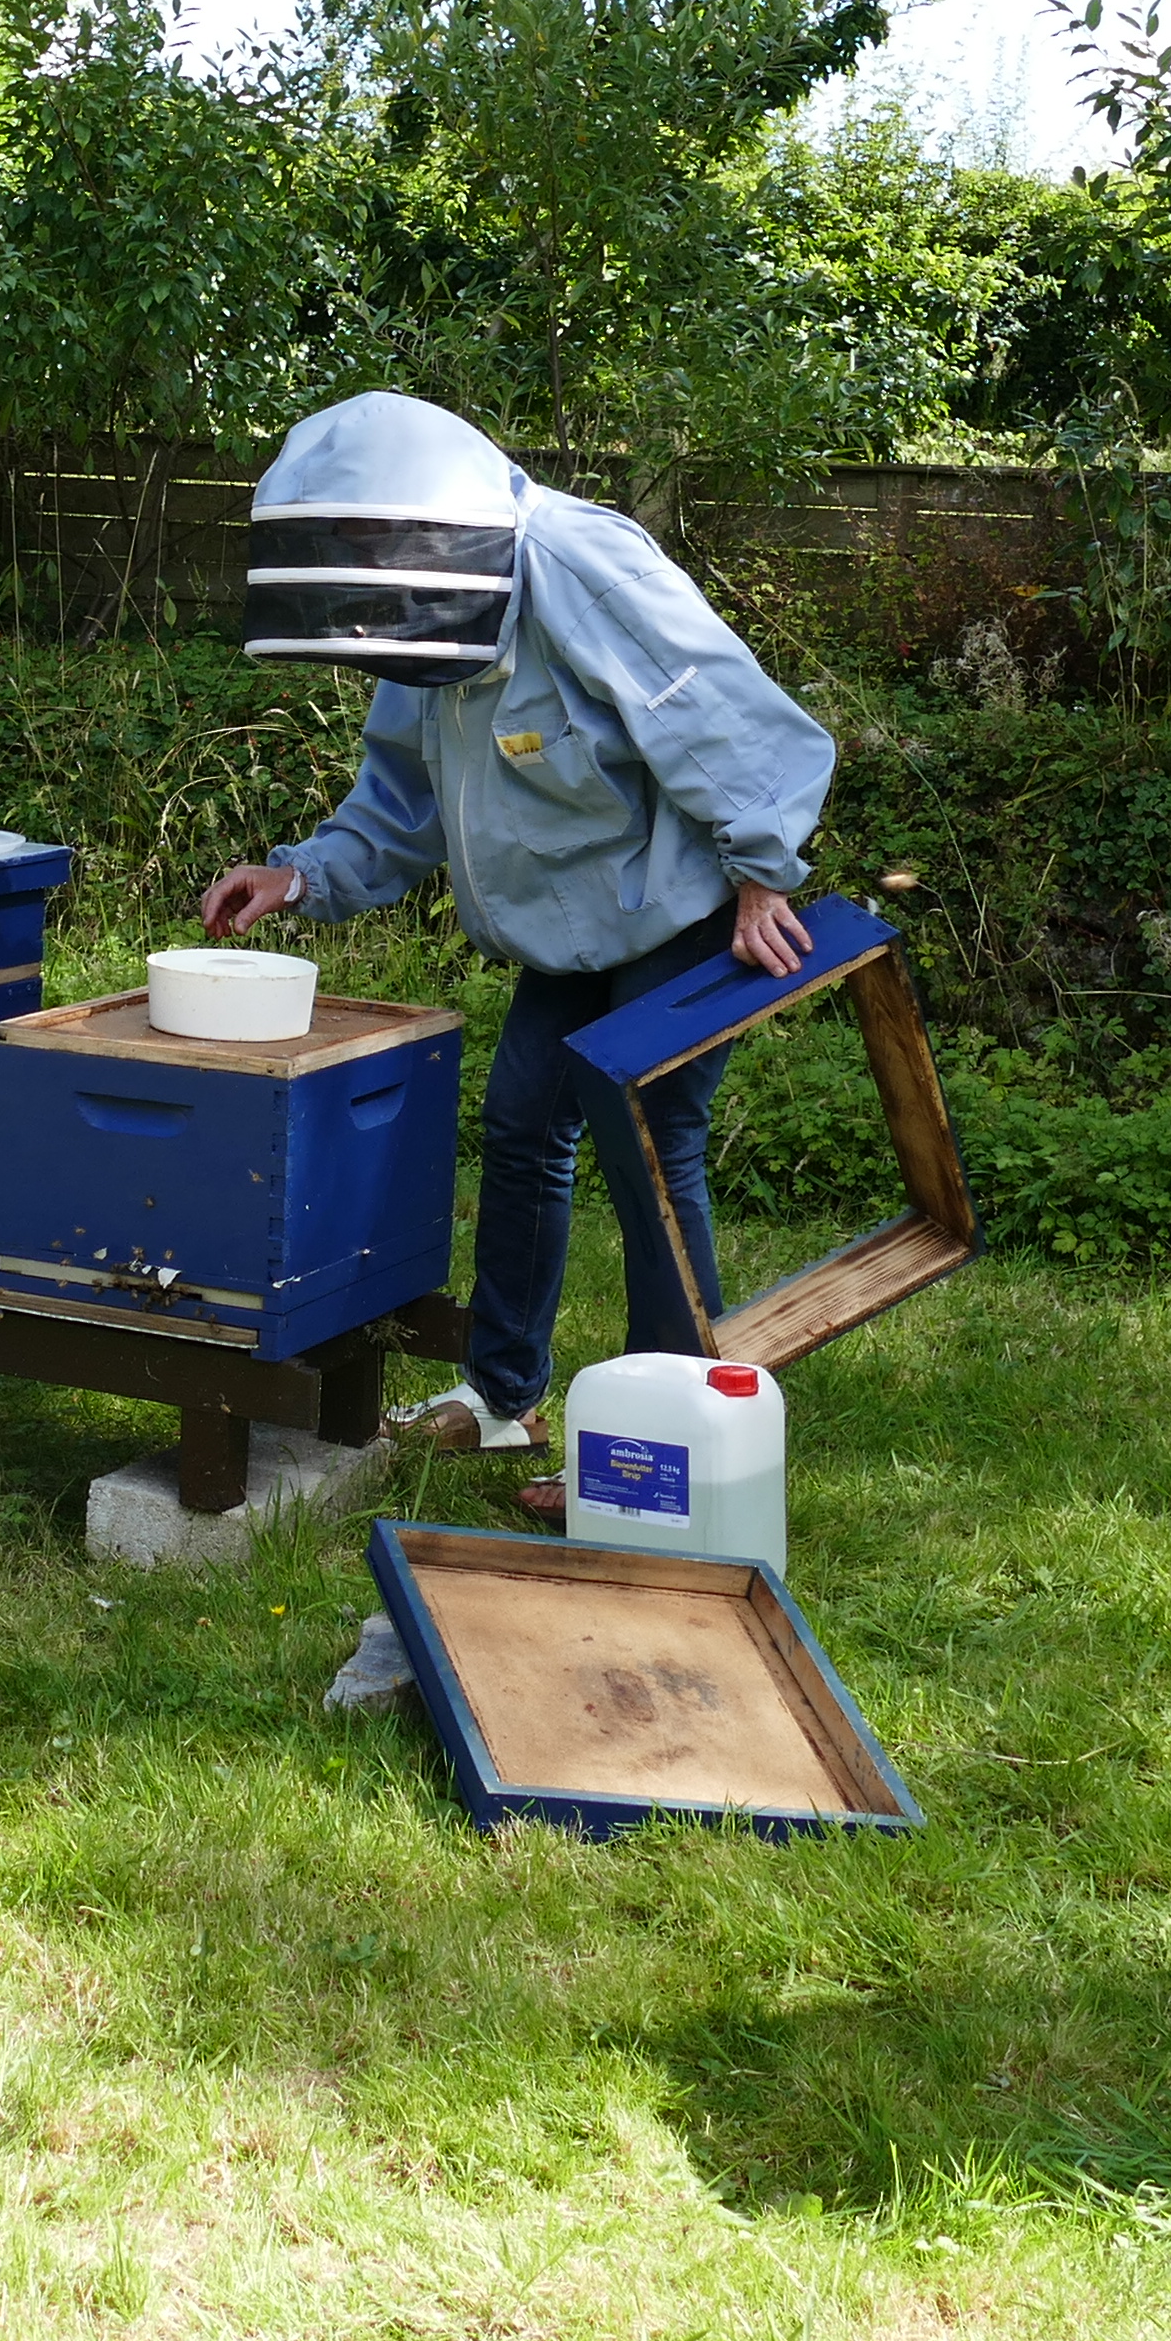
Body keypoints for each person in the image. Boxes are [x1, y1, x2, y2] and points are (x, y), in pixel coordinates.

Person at [196, 391, 834, 1511]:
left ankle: (664, 1458)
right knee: (525, 1125)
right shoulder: (422, 613)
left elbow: (721, 712)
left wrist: (760, 869)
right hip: (569, 933)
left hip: (679, 913)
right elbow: (399, 802)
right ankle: (502, 1402)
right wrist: (302, 874)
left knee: (648, 1148)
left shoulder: (581, 564)